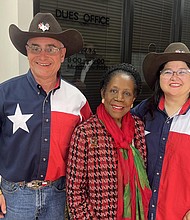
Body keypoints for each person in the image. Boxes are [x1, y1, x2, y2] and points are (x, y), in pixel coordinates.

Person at [0, 12, 92, 220]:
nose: (43, 56)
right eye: (35, 48)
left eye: (51, 48)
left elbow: (88, 151)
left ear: (62, 54)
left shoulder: (77, 100)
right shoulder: (4, 94)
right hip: (15, 196)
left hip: (58, 195)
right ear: (27, 51)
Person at [66, 63, 152, 219]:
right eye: (113, 91)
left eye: (126, 93)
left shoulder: (138, 127)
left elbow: (144, 172)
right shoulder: (85, 132)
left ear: (133, 99)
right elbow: (75, 192)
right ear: (103, 94)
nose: (119, 98)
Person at [131, 42, 190, 220]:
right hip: (142, 212)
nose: (175, 77)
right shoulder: (142, 112)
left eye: (182, 71)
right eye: (168, 71)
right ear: (159, 77)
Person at [72, 43, 107, 113]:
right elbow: (74, 80)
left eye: (90, 50)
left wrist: (85, 87)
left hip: (92, 102)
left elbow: (100, 85)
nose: (87, 52)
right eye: (86, 50)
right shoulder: (79, 66)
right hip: (78, 100)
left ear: (94, 52)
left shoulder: (100, 67)